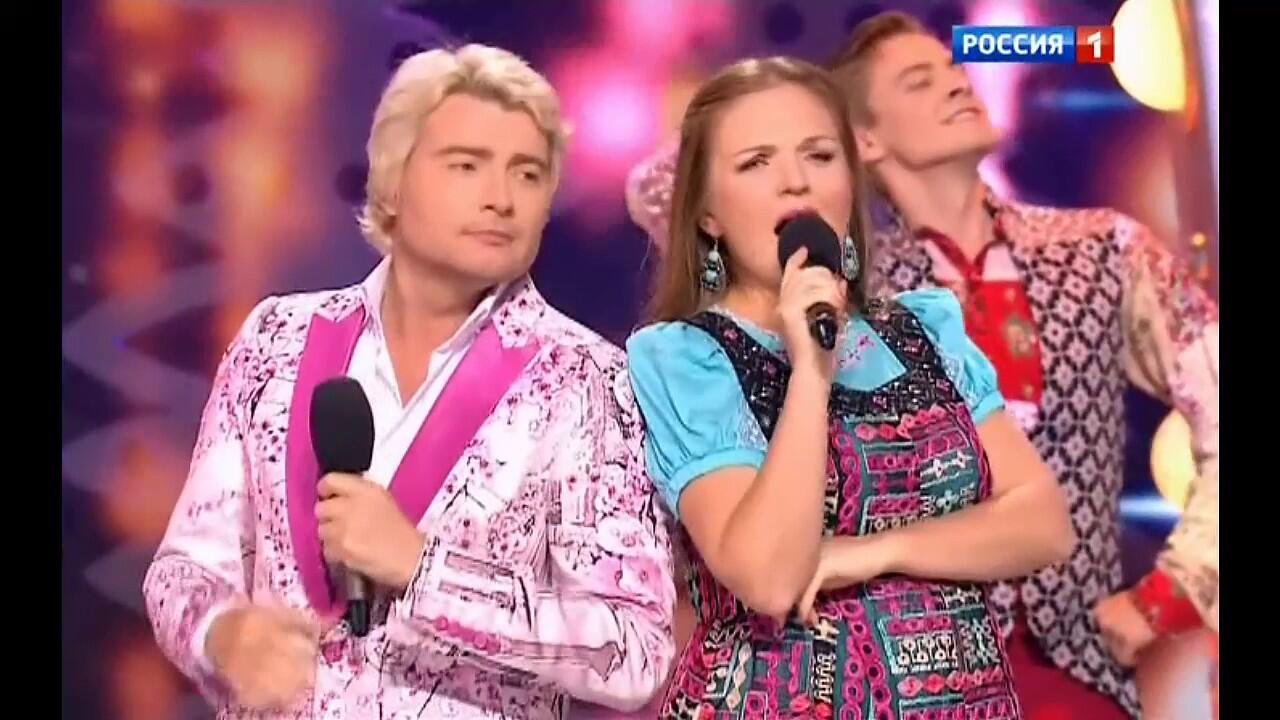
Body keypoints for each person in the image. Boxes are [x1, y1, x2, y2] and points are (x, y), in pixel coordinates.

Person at [625, 11, 1220, 719]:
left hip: (1008, 685)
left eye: (819, 155)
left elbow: (1043, 522)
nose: (795, 182)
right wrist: (810, 367)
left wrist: (869, 552)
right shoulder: (686, 355)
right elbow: (768, 579)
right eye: (757, 163)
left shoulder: (935, 319)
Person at [143, 44, 676, 719]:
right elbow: (184, 568)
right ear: (393, 182)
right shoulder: (276, 338)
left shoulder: (588, 381)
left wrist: (427, 572)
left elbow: (634, 651)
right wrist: (222, 634)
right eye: (466, 165)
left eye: (527, 173)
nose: (500, 198)